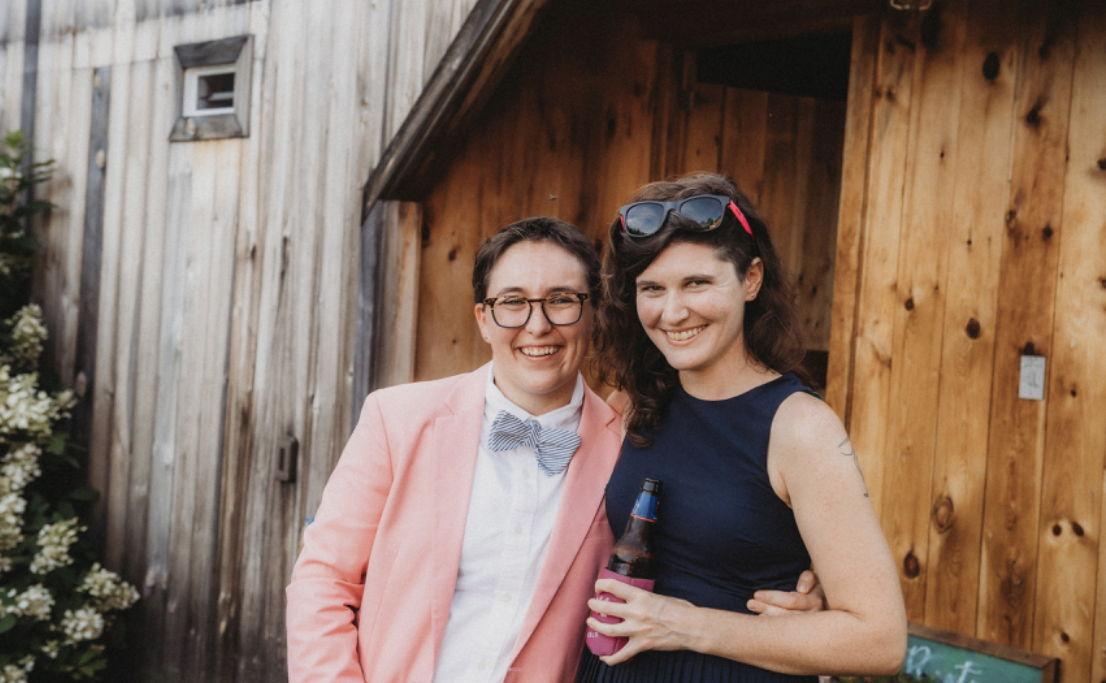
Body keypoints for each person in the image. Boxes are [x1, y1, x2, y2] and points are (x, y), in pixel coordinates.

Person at [286, 216, 824, 683]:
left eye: (562, 300)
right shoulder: (397, 419)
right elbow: (323, 581)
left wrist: (797, 597)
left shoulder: (632, 446)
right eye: (513, 302)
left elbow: (699, 555)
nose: (537, 325)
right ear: (483, 318)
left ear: (593, 314)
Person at [577, 172, 907, 681]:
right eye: (652, 289)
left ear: (751, 279)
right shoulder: (632, 405)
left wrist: (687, 624)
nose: (673, 312)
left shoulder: (800, 427)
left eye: (697, 283)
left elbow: (879, 640)